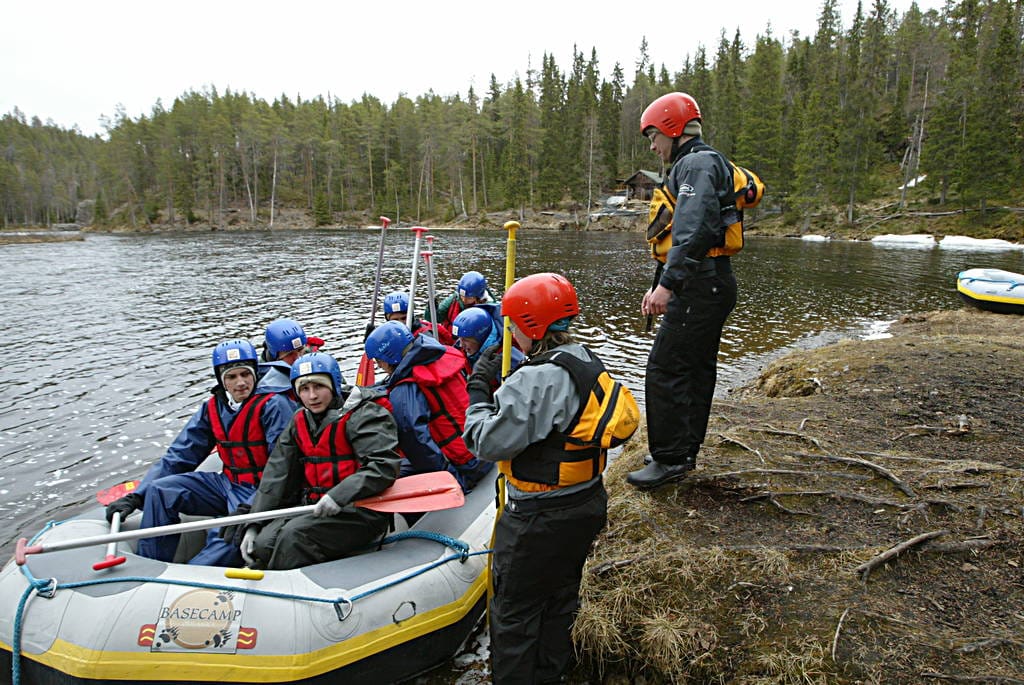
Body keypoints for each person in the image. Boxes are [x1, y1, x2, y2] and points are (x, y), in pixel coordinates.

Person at [462, 272, 638, 685]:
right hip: (585, 504)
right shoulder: (583, 358)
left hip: (537, 520)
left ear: (532, 325)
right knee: (560, 600)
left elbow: (485, 442)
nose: (511, 333)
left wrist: (478, 391)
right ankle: (550, 674)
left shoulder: (533, 378)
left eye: (514, 325)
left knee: (514, 613)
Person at [627, 91, 739, 490]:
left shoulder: (695, 164)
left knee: (666, 368)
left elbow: (694, 230)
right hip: (710, 282)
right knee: (695, 368)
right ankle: (683, 449)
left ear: (673, 129)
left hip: (699, 286)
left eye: (654, 136)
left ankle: (670, 459)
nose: (653, 146)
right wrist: (664, 281)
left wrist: (668, 286)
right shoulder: (703, 162)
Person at [104, 339, 296, 566]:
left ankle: (191, 575)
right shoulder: (213, 407)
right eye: (232, 377)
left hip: (261, 489)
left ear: (255, 373)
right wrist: (137, 496)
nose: (241, 383)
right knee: (161, 490)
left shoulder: (275, 405)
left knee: (228, 533)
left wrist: (251, 506)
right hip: (227, 483)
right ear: (221, 380)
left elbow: (283, 468)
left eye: (246, 374)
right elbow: (181, 454)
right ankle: (150, 565)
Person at [238, 352, 401, 570]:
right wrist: (254, 523)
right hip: (314, 507)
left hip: (360, 510)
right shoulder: (299, 420)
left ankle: (283, 582)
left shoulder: (366, 414)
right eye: (304, 389)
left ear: (333, 385)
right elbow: (277, 473)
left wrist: (339, 495)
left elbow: (382, 466)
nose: (312, 396)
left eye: (319, 387)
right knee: (262, 544)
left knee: (293, 538)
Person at [364, 320, 492, 492]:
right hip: (484, 449)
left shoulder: (405, 389)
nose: (379, 365)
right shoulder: (439, 355)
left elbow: (417, 444)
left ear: (389, 357)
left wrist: (451, 479)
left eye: (379, 360)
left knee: (388, 474)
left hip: (466, 467)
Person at [451, 305, 524, 382]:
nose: (461, 345)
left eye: (466, 340)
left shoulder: (509, 358)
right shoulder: (461, 350)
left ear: (481, 337)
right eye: (460, 338)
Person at [423, 270, 495, 334]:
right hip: (450, 339)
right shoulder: (454, 299)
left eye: (469, 298)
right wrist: (431, 309)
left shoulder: (490, 308)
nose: (464, 300)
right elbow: (434, 318)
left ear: (478, 297)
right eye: (462, 296)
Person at [382, 290, 453, 345]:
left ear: (411, 316)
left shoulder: (425, 336)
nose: (400, 323)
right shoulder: (385, 335)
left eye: (404, 318)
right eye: (395, 320)